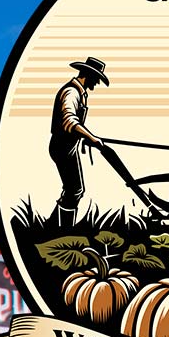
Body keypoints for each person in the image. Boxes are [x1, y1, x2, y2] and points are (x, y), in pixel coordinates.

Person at [49, 56, 110, 226]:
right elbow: (69, 120)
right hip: (62, 147)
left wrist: (86, 139)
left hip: (69, 146)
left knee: (73, 190)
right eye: (96, 79)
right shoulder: (71, 92)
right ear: (87, 74)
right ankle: (62, 228)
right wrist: (91, 138)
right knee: (75, 190)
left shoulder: (80, 93)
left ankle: (54, 226)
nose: (96, 83)